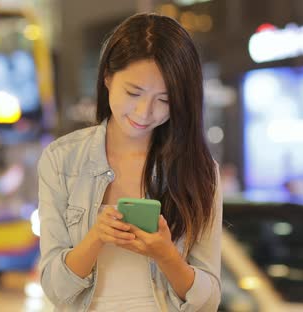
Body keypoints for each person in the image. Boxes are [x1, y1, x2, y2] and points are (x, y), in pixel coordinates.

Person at [37, 13, 222, 311]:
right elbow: (55, 288)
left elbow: (209, 300)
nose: (145, 112)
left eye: (164, 100)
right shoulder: (62, 159)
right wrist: (96, 237)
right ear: (107, 77)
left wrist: (166, 255)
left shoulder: (199, 170)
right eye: (133, 92)